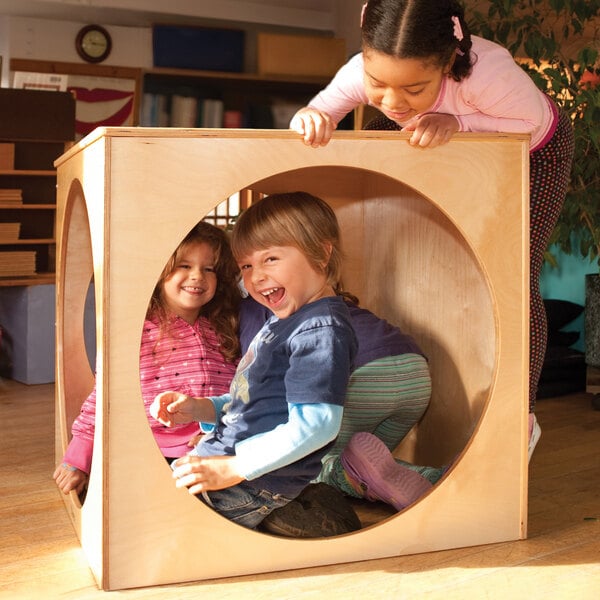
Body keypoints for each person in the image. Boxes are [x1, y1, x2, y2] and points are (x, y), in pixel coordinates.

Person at [290, 0, 574, 459]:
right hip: (438, 132)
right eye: (378, 84)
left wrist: (458, 121)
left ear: (446, 64)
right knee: (382, 131)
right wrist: (312, 117)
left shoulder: (488, 73)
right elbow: (321, 110)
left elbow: (532, 123)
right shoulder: (361, 74)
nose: (393, 100)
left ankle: (519, 417)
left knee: (514, 276)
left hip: (531, 148)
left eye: (415, 87)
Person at [150, 192, 358, 531]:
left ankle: (300, 515)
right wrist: (202, 408)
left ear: (321, 253)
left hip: (252, 482)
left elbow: (318, 424)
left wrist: (232, 468)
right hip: (227, 463)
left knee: (163, 530)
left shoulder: (320, 330)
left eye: (271, 259)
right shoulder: (283, 317)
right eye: (247, 266)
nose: (256, 276)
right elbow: (255, 401)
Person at [53, 221, 242, 497]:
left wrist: (218, 434)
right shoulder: (139, 331)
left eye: (208, 268)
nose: (197, 276)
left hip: (213, 446)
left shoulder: (223, 327)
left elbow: (236, 395)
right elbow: (103, 396)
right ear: (160, 270)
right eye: (184, 266)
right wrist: (77, 458)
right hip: (149, 450)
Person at [240, 293, 443, 527]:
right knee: (370, 467)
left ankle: (348, 474)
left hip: (362, 378)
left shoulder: (256, 306)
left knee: (305, 468)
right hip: (415, 376)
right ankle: (436, 478)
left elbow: (256, 379)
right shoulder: (325, 299)